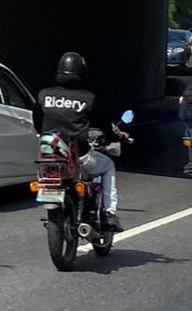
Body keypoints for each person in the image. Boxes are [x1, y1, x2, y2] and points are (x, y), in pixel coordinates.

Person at [33, 51, 129, 231]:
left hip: (49, 157)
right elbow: (104, 123)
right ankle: (109, 213)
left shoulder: (43, 95)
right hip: (79, 157)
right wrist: (117, 137)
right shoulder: (88, 98)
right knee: (108, 166)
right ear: (81, 73)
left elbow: (37, 121)